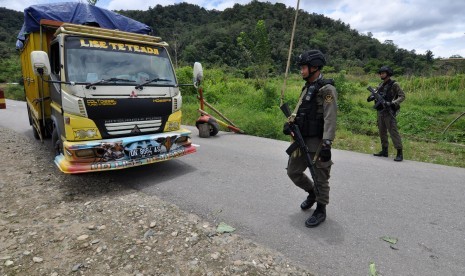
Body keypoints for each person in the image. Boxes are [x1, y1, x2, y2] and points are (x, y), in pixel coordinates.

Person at [285, 50, 337, 228]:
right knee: (293, 172)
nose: (301, 70)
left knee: (320, 176)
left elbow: (330, 118)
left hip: (318, 141)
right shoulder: (307, 87)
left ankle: (321, 209)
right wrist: (290, 124)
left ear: (314, 67)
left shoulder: (327, 89)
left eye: (304, 67)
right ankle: (312, 193)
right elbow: (301, 111)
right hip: (301, 140)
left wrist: (327, 143)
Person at [367, 66, 405, 161]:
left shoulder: (394, 84)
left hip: (389, 111)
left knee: (393, 132)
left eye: (383, 73)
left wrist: (392, 103)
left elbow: (402, 96)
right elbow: (374, 94)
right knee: (382, 131)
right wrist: (372, 97)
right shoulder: (380, 85)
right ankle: (384, 150)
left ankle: (399, 153)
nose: (381, 74)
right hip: (380, 111)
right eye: (380, 73)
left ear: (388, 73)